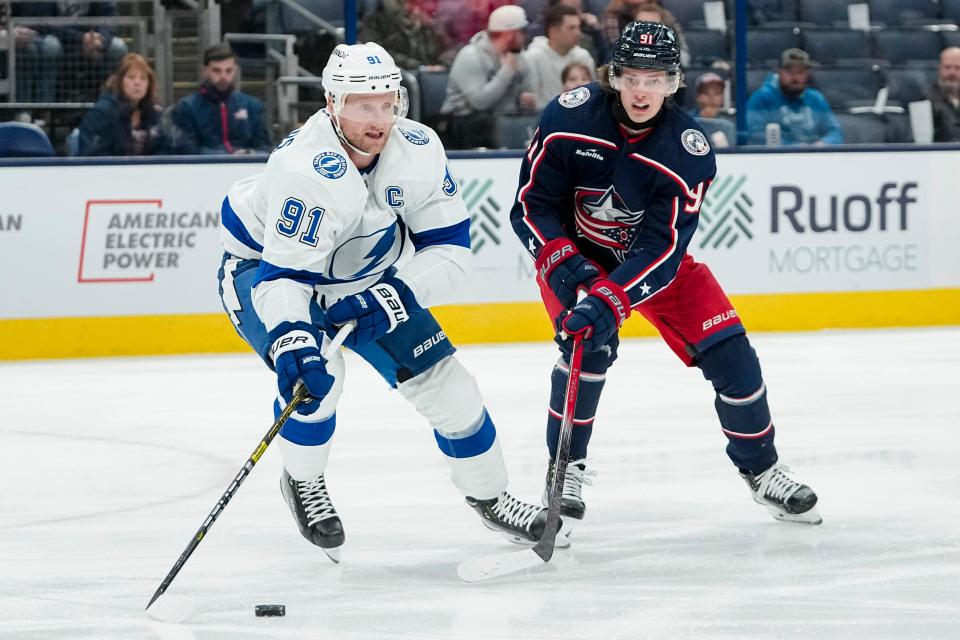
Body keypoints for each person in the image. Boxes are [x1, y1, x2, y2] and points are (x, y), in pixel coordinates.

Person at [217, 42, 563, 559]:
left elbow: (450, 252)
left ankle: (490, 496)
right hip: (266, 272)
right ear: (332, 103)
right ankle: (304, 481)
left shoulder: (419, 148)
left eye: (387, 102)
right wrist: (293, 340)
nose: (379, 119)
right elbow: (283, 275)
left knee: (453, 391)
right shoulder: (303, 169)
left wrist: (391, 295)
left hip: (367, 277)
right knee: (316, 386)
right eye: (363, 105)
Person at [509, 22, 821, 528]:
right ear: (613, 76)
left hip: (647, 266)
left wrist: (611, 295)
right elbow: (530, 207)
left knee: (732, 353)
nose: (641, 90)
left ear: (674, 83)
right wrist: (570, 270)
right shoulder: (569, 118)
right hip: (572, 257)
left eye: (654, 79)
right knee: (588, 344)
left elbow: (664, 249)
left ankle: (762, 470)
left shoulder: (687, 151)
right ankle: (564, 467)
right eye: (631, 76)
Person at [440, 4, 537, 149]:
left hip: (502, 125)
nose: (526, 36)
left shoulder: (521, 58)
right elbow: (480, 102)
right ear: (509, 34)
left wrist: (526, 100)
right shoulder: (470, 55)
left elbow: (529, 92)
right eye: (523, 31)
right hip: (462, 127)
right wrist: (507, 70)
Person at [172, 43, 272, 155]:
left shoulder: (253, 106)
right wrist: (230, 157)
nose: (223, 76)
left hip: (247, 169)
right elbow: (188, 151)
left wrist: (249, 154)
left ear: (235, 70)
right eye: (216, 70)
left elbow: (264, 148)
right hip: (205, 170)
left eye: (228, 70)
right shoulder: (186, 107)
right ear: (205, 71)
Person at [745, 48, 842, 146]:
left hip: (815, 156)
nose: (795, 77)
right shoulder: (762, 98)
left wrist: (823, 143)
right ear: (779, 71)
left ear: (807, 73)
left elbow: (834, 132)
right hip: (778, 158)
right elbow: (755, 136)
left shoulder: (816, 98)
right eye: (790, 72)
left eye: (800, 72)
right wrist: (793, 148)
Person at [78, 54, 166, 156]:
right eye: (131, 77)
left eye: (143, 78)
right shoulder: (101, 114)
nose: (137, 82)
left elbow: (167, 149)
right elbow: (93, 155)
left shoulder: (156, 114)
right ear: (120, 82)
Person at [522, 4, 596, 109]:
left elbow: (594, 95)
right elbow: (532, 100)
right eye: (571, 28)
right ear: (553, 31)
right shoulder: (532, 57)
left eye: (578, 27)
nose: (578, 33)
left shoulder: (583, 56)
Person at [928, 47, 960, 142]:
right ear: (939, 69)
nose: (952, 72)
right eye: (947, 67)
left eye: (958, 68)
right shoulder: (924, 99)